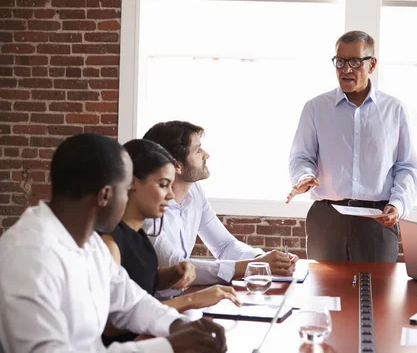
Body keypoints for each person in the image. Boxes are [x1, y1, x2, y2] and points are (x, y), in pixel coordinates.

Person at [0, 133, 226, 352]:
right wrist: (169, 346)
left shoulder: (88, 242)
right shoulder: (31, 256)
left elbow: (133, 303)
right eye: (126, 189)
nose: (129, 198)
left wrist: (181, 326)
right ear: (105, 196)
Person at [286, 30, 417, 262]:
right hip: (327, 218)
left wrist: (398, 205)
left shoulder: (394, 110)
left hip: (377, 220)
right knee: (323, 293)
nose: (346, 70)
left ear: (372, 64)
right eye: (340, 62)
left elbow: (408, 166)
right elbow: (301, 157)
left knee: (376, 295)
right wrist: (304, 177)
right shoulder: (316, 108)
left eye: (355, 62)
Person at [101, 139, 240, 346]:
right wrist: (189, 300)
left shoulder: (138, 233)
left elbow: (140, 282)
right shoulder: (110, 243)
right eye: (163, 185)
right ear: (132, 183)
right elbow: (110, 323)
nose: (171, 195)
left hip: (152, 336)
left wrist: (174, 272)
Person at [142, 121, 298, 287]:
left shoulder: (195, 192)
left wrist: (263, 260)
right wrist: (254, 267)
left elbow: (224, 245)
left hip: (184, 297)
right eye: (197, 150)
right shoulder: (148, 207)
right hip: (156, 304)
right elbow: (177, 267)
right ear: (177, 165)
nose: (206, 154)